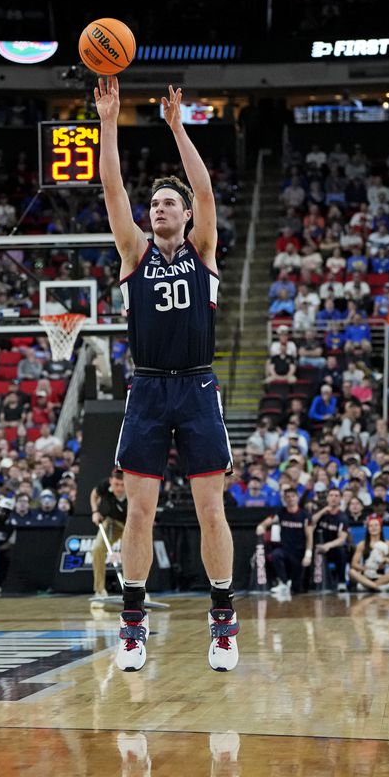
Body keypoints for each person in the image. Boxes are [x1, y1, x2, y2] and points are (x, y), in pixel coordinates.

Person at [95, 78, 237, 672]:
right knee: (141, 511)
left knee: (210, 510)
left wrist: (178, 128)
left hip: (199, 386)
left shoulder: (203, 249)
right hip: (148, 386)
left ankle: (223, 625)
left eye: (167, 203)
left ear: (184, 215)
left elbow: (204, 190)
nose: (160, 208)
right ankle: (132, 626)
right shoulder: (134, 253)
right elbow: (110, 189)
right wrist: (108, 122)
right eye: (154, 203)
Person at [255, 488, 313, 598]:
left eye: (293, 496)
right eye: (288, 497)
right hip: (285, 550)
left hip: (299, 552)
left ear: (297, 497)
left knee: (297, 589)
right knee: (276, 554)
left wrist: (308, 555)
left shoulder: (305, 515)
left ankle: (291, 585)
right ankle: (285, 582)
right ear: (284, 499)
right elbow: (267, 521)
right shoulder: (281, 512)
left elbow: (310, 536)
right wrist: (261, 526)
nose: (290, 499)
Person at [89, 471, 129, 601]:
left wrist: (122, 552)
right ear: (111, 480)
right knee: (97, 549)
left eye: (122, 485)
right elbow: (94, 494)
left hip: (132, 524)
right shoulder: (105, 485)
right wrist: (95, 511)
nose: (119, 488)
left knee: (133, 554)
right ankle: (100, 591)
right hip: (113, 521)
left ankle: (138, 591)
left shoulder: (133, 489)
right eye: (116, 484)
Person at [349, 515, 389, 592]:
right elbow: (354, 564)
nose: (374, 528)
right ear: (368, 529)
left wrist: (385, 559)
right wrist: (366, 568)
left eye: (376, 525)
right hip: (366, 575)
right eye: (371, 526)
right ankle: (375, 586)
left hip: (381, 576)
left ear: (380, 528)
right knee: (351, 572)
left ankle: (370, 586)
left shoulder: (388, 543)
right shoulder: (362, 544)